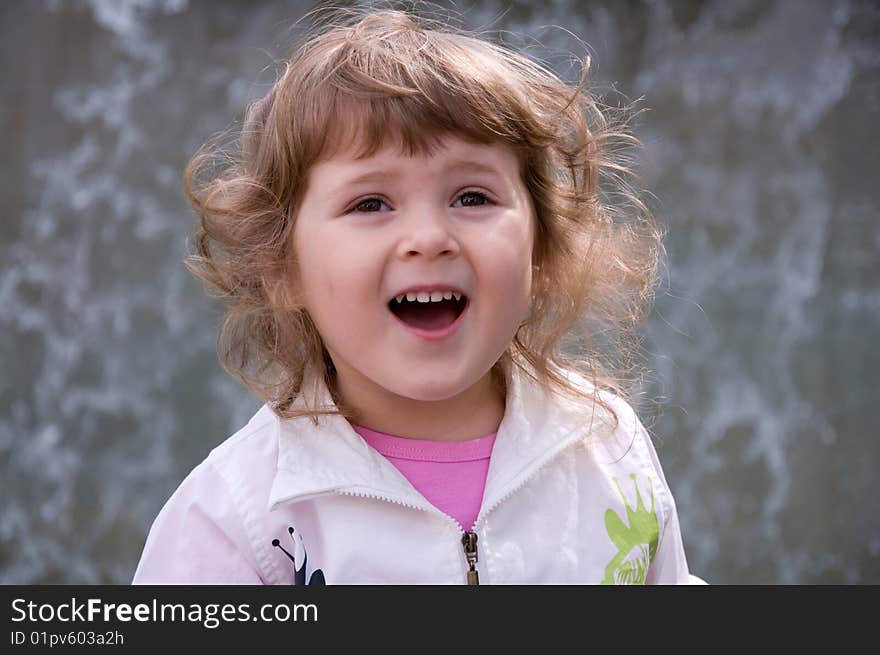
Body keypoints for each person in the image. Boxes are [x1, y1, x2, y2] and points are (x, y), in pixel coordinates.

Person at [133, 6, 694, 584]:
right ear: (283, 267)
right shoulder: (239, 520)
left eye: (472, 197)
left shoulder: (607, 445)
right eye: (370, 203)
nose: (428, 238)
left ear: (541, 247)